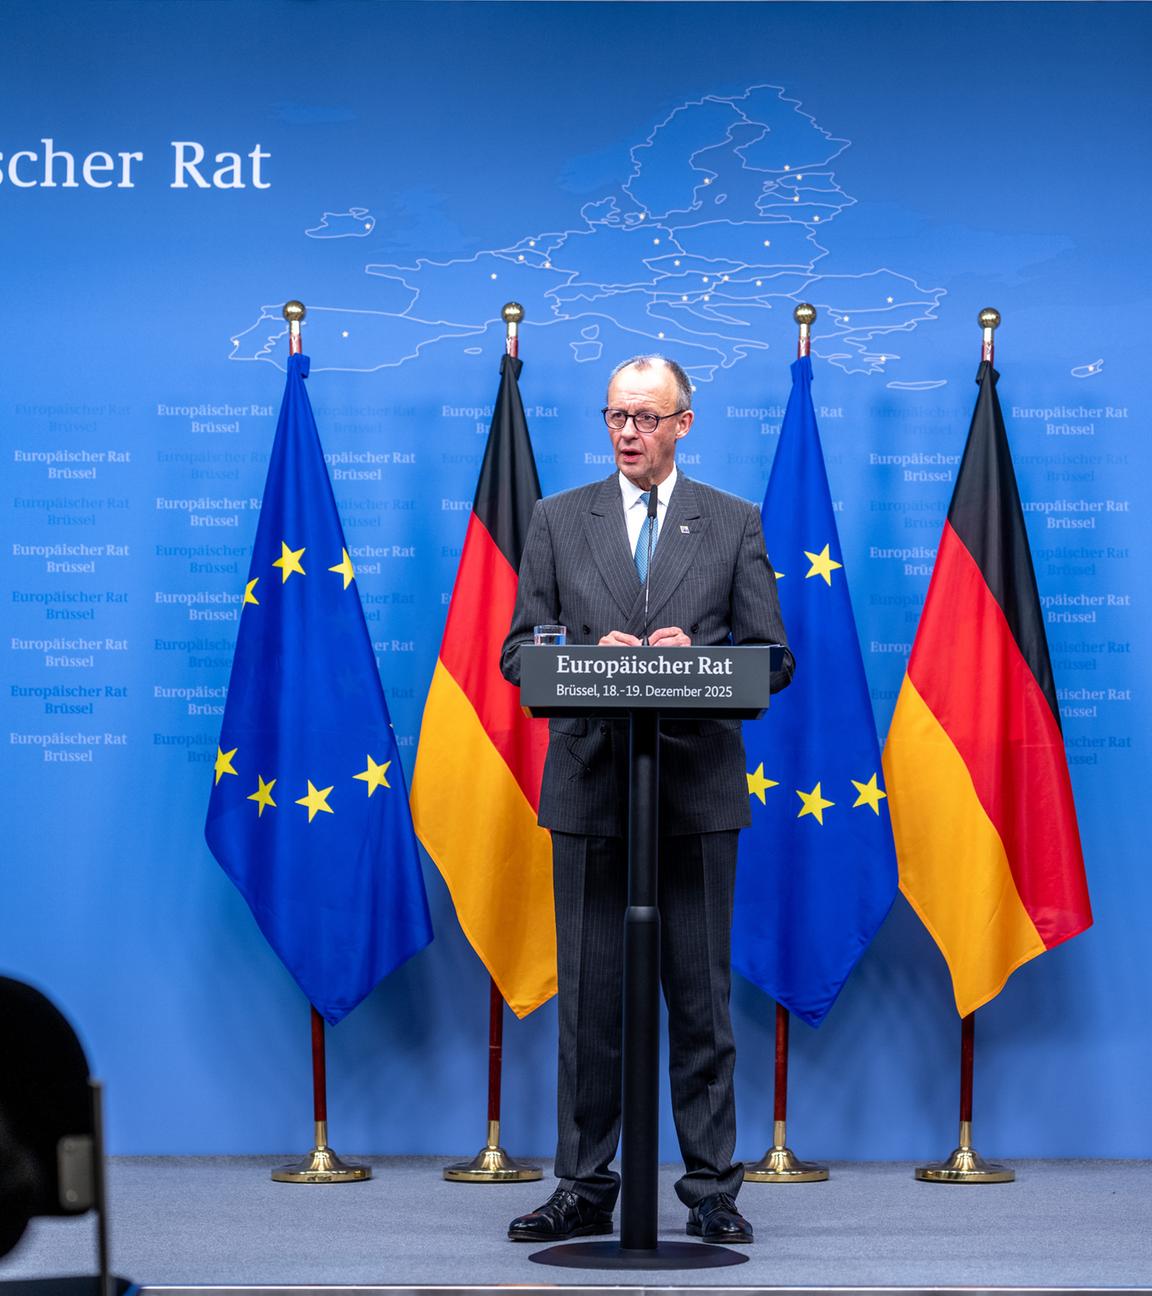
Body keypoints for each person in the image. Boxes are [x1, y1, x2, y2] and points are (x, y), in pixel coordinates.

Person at [499, 355, 793, 1245]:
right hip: (591, 791)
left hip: (696, 793)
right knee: (590, 1005)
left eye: (646, 416)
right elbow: (520, 652)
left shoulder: (733, 523)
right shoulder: (556, 520)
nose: (627, 431)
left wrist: (692, 657)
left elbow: (772, 657)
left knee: (700, 1001)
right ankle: (585, 1187)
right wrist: (593, 650)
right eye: (616, 415)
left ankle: (711, 1190)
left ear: (683, 424)